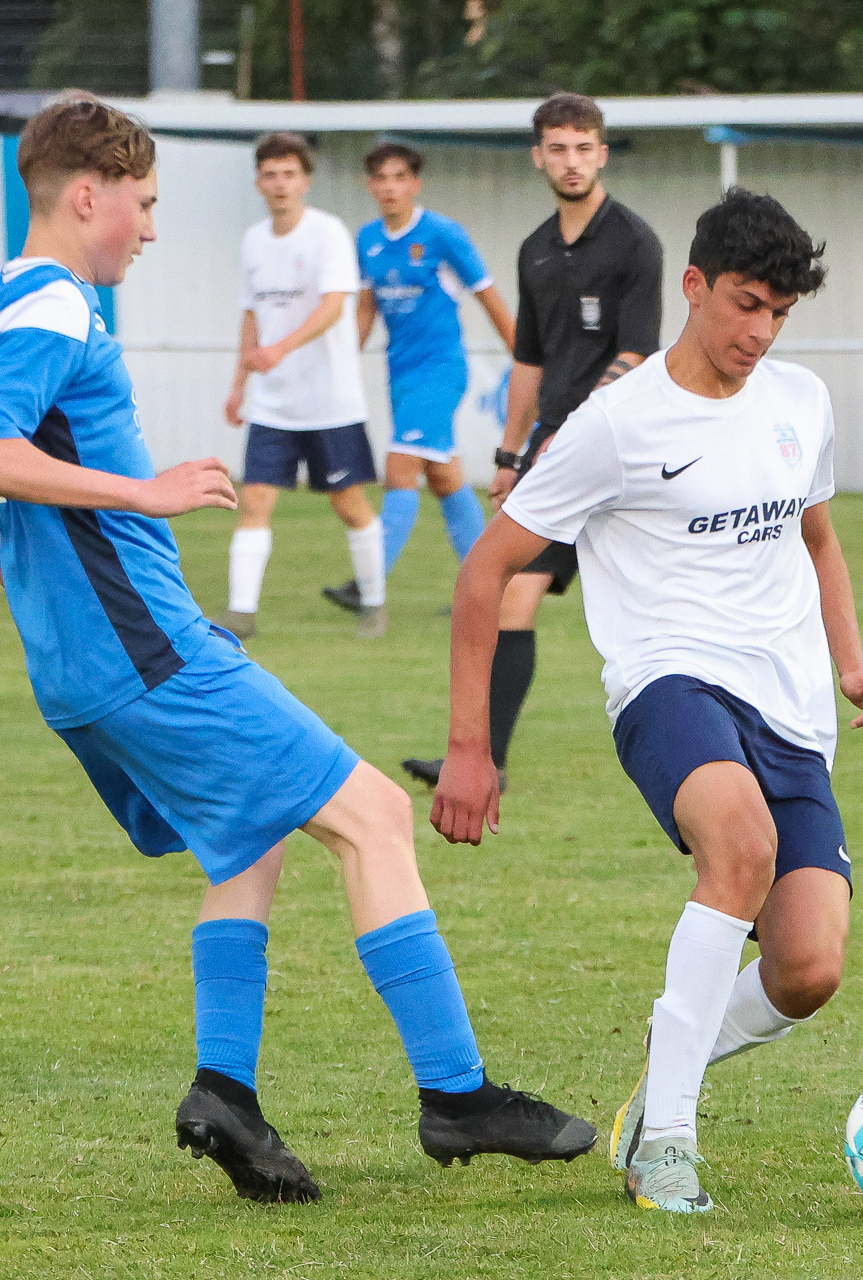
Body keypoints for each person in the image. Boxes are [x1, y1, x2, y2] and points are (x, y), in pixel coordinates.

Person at [0, 94, 596, 1207]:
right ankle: (457, 1092)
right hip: (151, 653)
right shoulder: (53, 303)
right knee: (376, 815)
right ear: (86, 194)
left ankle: (225, 1091)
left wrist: (47, 609)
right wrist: (145, 492)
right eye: (142, 204)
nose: (149, 229)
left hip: (86, 669)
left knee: (249, 837)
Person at [429, 189, 863, 1214]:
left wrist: (854, 666)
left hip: (790, 707)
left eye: (780, 312)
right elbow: (485, 570)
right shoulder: (615, 425)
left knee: (808, 966)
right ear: (693, 285)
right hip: (668, 681)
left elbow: (818, 541)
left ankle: (671, 1057)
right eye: (745, 304)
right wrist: (470, 748)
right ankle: (668, 1148)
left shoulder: (801, 401)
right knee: (738, 846)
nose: (760, 332)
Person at [401, 92, 662, 792]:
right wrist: (510, 454)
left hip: (622, 451)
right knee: (510, 592)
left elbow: (638, 352)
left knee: (662, 596)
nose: (571, 161)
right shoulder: (535, 250)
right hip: (552, 450)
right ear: (538, 157)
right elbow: (529, 362)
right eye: (558, 149)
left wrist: (572, 437)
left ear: (602, 154)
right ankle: (482, 760)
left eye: (583, 148)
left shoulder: (635, 243)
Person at [323, 142, 515, 610]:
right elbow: (366, 308)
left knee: (400, 468)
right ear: (370, 186)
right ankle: (489, 588)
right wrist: (341, 362)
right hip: (401, 374)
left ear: (415, 184)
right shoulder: (368, 238)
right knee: (446, 479)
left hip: (441, 370)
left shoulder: (443, 234)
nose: (389, 187)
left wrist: (528, 362)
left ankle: (367, 585)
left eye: (399, 177)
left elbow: (489, 298)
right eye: (380, 179)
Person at [215, 132, 387, 641]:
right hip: (273, 404)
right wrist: (239, 383)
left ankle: (374, 603)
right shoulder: (253, 240)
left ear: (305, 181)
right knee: (254, 501)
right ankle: (241, 614)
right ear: (258, 183)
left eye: (289, 174)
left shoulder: (328, 233)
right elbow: (251, 314)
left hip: (330, 402)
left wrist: (281, 349)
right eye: (270, 174)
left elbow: (334, 306)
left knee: (348, 504)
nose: (280, 184)